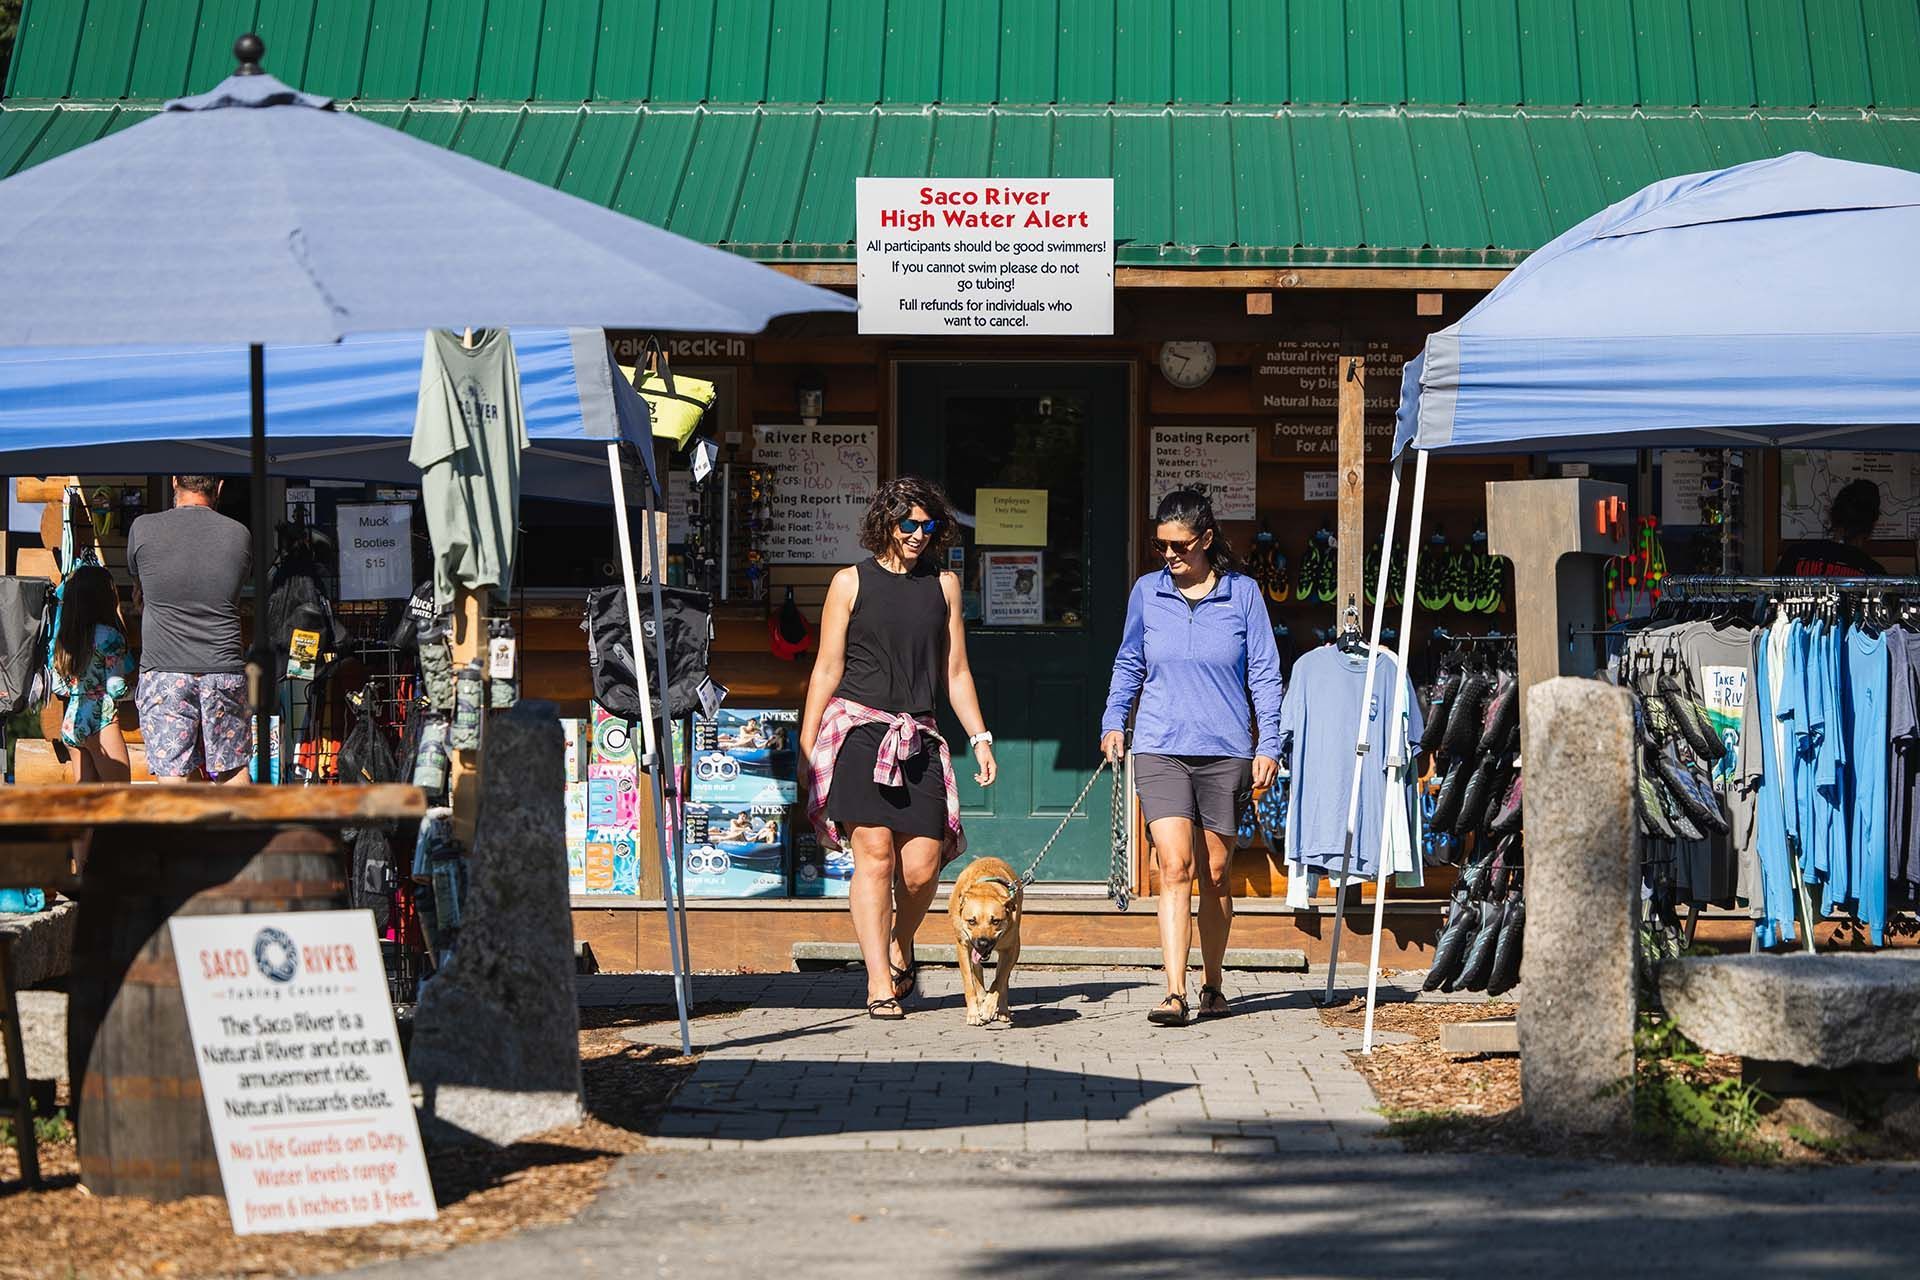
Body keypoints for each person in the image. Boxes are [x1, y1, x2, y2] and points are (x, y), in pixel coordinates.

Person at [802, 476, 997, 1019]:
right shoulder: (849, 582)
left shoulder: (945, 586)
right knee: (875, 857)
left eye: (926, 526)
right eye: (906, 524)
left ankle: (899, 941)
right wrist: (807, 738)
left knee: (921, 867)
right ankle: (878, 983)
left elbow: (955, 671)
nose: (916, 534)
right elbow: (827, 667)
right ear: (884, 523)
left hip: (919, 735)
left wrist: (979, 737)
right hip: (859, 732)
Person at [1101, 490, 1283, 1026]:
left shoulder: (1244, 595)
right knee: (1174, 867)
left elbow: (1265, 675)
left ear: (1206, 539)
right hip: (1160, 746)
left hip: (1226, 749)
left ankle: (1213, 981)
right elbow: (1129, 659)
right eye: (1161, 545)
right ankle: (1174, 991)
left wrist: (1267, 743)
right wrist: (1115, 721)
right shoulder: (1147, 592)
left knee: (1218, 873)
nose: (1170, 555)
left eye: (1180, 545)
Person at [127, 475, 254, 784]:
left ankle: (181, 835)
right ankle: (246, 833)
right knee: (233, 771)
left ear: (173, 483)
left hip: (164, 670)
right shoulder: (239, 534)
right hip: (222, 666)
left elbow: (140, 584)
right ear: (220, 487)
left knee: (173, 778)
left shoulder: (142, 527)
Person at [48, 565, 136, 783]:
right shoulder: (109, 636)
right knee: (121, 796)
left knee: (86, 802)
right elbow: (115, 688)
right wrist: (139, 691)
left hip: (72, 721)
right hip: (101, 721)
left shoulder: (67, 637)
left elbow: (61, 684)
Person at [1776, 478, 1887, 577]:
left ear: (1833, 515)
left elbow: (1772, 597)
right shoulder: (1874, 572)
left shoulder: (1795, 555)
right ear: (1872, 525)